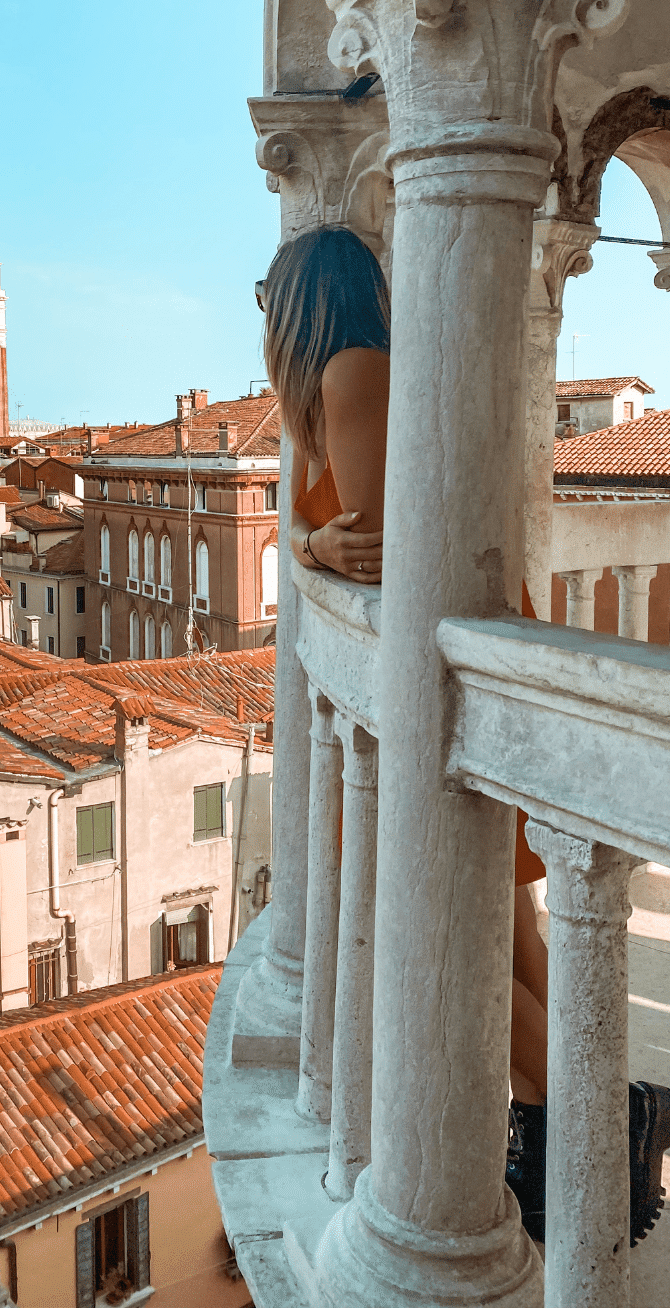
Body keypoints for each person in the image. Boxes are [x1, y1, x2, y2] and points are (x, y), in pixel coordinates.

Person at [258, 222, 670, 1247]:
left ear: (304, 301)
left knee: (458, 944)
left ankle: (591, 1117)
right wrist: (309, 543)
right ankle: (586, 1119)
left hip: (435, 700)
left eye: (268, 295)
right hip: (439, 692)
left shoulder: (352, 372)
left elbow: (381, 550)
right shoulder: (342, 382)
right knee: (506, 938)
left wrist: (319, 546)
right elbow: (326, 536)